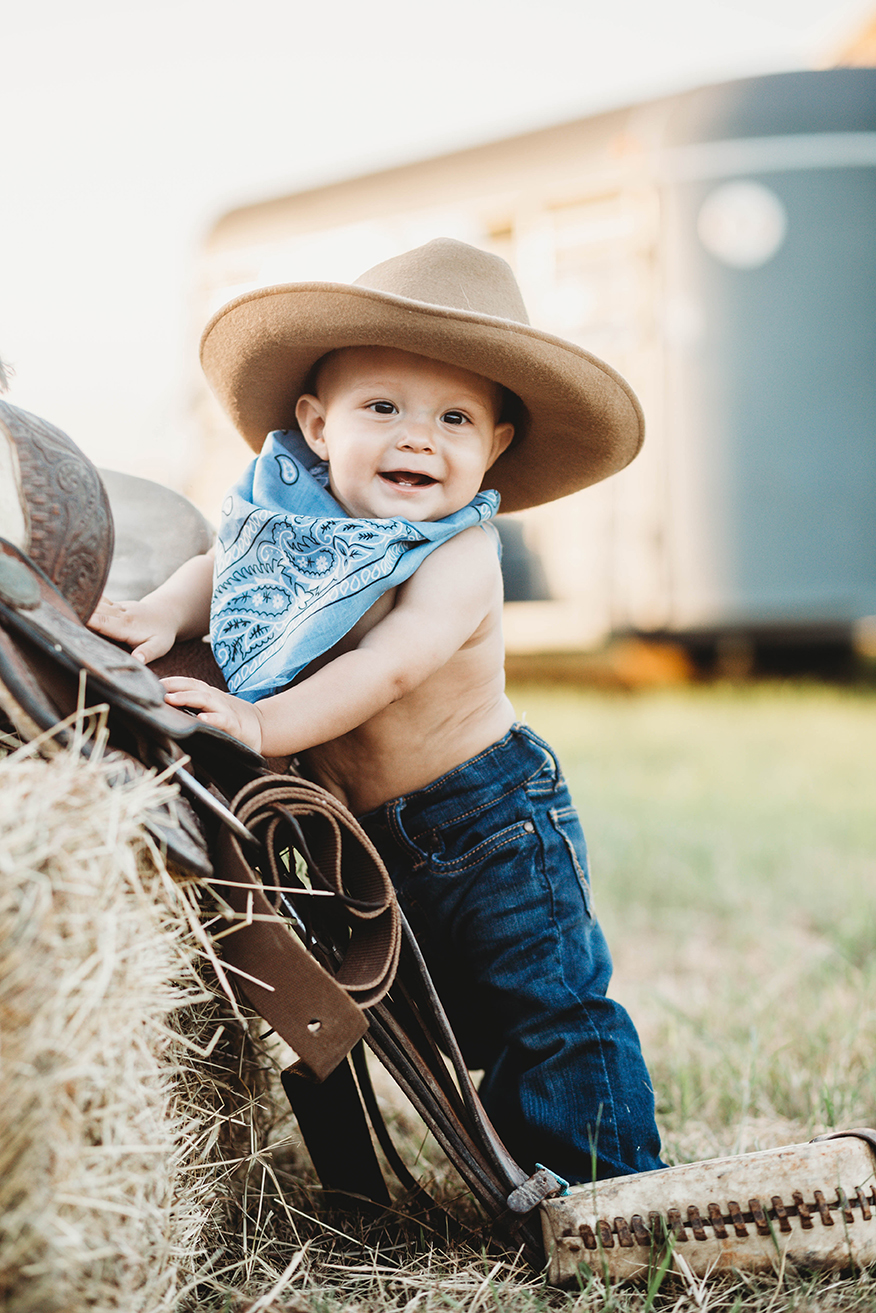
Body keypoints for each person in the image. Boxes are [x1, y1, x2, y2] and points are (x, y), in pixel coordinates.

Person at [90, 238, 664, 1183]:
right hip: (368, 831)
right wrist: (158, 614)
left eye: (455, 417)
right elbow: (226, 575)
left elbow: (392, 667)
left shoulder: (458, 553)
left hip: (488, 818)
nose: (418, 437)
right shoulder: (291, 528)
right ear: (317, 425)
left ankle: (611, 1190)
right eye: (382, 407)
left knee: (546, 1002)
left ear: (496, 446)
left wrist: (265, 726)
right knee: (446, 1014)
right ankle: (518, 1160)